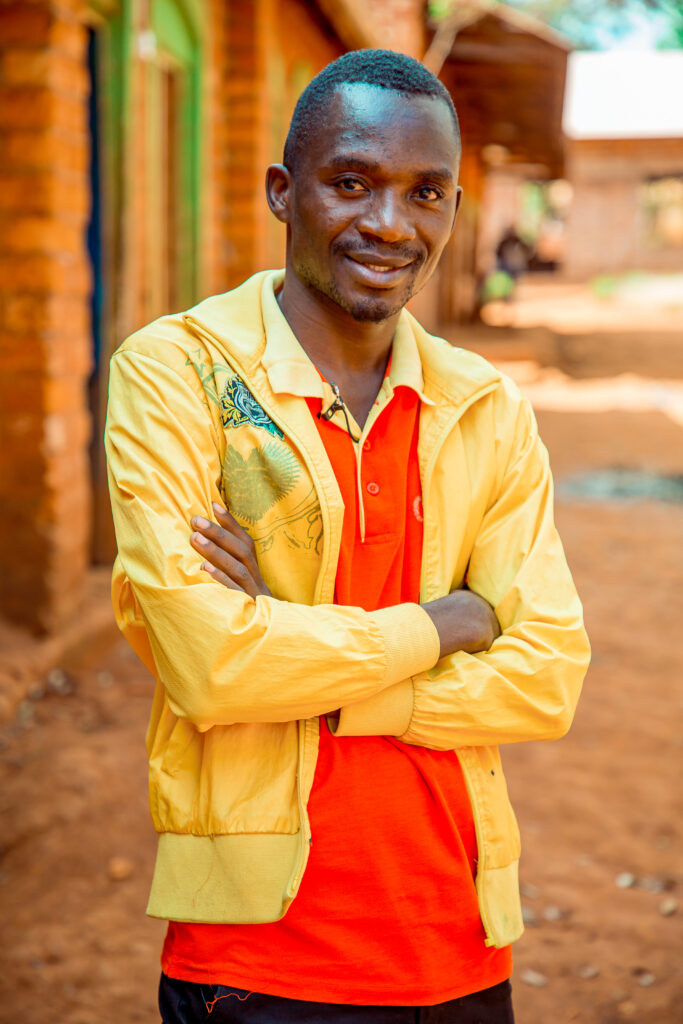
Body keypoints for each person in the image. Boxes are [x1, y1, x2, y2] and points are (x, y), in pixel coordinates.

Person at [105, 50, 590, 1024]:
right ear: (284, 192)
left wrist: (295, 644)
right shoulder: (177, 376)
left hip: (459, 946)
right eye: (352, 182)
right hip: (253, 962)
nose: (387, 224)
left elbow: (547, 675)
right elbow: (209, 665)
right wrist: (444, 620)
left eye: (426, 194)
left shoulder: (484, 408)